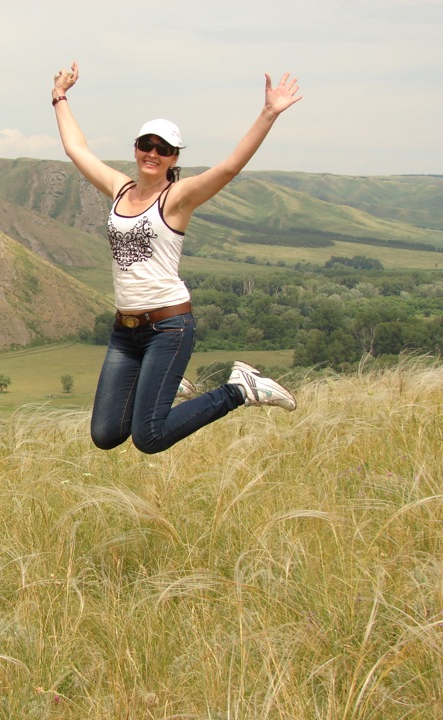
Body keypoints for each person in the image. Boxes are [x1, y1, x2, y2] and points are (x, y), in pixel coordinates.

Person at [51, 62, 302, 455]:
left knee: (148, 438)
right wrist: (60, 97)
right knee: (105, 435)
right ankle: (168, 386)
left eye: (163, 149)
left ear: (173, 158)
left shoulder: (178, 198)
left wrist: (268, 113)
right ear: (136, 148)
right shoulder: (120, 189)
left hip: (168, 328)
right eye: (146, 145)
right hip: (124, 331)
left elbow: (230, 166)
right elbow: (75, 149)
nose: (153, 153)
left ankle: (241, 389)